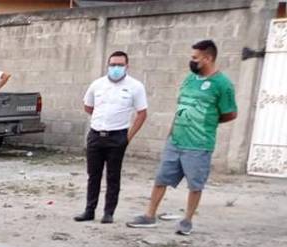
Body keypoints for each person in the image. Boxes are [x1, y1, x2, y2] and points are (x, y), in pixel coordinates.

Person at [127, 39, 237, 236]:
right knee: (161, 178)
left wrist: (207, 121)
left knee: (195, 184)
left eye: (195, 58)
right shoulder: (189, 79)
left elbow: (230, 113)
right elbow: (181, 107)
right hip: (176, 140)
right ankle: (149, 215)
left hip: (199, 144)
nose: (191, 61)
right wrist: (171, 132)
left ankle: (187, 220)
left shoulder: (223, 84)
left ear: (208, 58)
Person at [74, 51, 148, 224]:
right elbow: (88, 106)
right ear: (108, 65)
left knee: (113, 176)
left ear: (127, 66)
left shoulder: (135, 86)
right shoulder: (97, 84)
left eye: (120, 65)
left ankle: (109, 212)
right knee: (93, 175)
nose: (116, 68)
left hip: (118, 136)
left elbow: (142, 114)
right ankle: (89, 210)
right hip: (96, 134)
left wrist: (127, 137)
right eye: (113, 64)